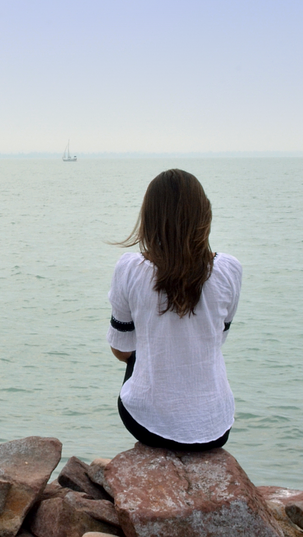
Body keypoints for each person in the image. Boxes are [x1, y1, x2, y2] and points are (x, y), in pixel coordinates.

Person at [106, 169, 241, 452]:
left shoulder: (130, 270)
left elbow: (121, 350)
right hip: (216, 426)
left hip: (147, 424)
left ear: (149, 219)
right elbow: (216, 339)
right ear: (204, 215)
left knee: (138, 353)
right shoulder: (229, 270)